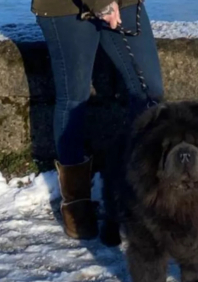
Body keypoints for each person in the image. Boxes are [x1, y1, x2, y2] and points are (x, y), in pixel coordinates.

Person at [31, 0, 164, 239]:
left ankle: (138, 194)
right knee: (74, 98)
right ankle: (76, 206)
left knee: (149, 92)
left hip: (124, 3)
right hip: (67, 7)